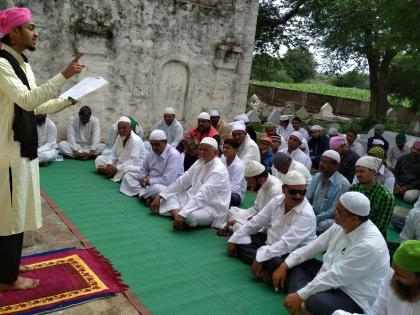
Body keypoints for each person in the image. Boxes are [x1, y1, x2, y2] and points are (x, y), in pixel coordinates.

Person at [0, 6, 84, 291]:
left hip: (22, 148)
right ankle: (7, 278)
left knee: (16, 212)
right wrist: (63, 76)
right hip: (8, 151)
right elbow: (26, 100)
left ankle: (8, 264)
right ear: (14, 32)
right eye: (31, 27)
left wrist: (69, 99)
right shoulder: (1, 63)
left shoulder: (22, 63)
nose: (36, 33)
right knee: (8, 215)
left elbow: (36, 104)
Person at [274, 192, 390, 315]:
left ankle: (302, 302)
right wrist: (285, 265)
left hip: (353, 296)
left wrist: (301, 294)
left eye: (339, 211)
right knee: (295, 264)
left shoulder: (369, 245)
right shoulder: (341, 225)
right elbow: (314, 246)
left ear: (354, 219)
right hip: (330, 277)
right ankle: (303, 306)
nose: (334, 213)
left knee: (316, 301)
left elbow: (337, 276)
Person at [227, 171, 316, 282]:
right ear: (284, 189)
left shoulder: (306, 214)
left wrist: (261, 257)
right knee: (239, 237)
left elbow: (285, 244)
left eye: (302, 192)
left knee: (276, 262)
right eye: (293, 192)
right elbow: (256, 222)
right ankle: (264, 265)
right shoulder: (276, 201)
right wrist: (234, 238)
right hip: (270, 244)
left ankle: (264, 264)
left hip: (291, 253)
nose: (298, 196)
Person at [150, 137, 231, 230]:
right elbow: (182, 181)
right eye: (200, 149)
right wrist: (160, 196)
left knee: (188, 216)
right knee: (167, 194)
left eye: (205, 150)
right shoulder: (200, 162)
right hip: (191, 198)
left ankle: (178, 215)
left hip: (210, 209)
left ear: (215, 153)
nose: (201, 152)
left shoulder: (219, 170)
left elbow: (203, 195)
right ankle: (178, 217)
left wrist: (183, 213)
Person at [333, 240, 420, 315]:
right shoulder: (391, 276)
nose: (394, 277)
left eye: (400, 275)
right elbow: (378, 312)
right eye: (394, 270)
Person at [120, 130, 183, 203]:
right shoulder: (152, 152)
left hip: (166, 185)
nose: (154, 147)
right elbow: (144, 169)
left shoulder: (173, 155)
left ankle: (144, 195)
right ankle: (147, 196)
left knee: (159, 190)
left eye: (157, 144)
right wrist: (142, 178)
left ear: (165, 142)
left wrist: (148, 181)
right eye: (152, 145)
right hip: (149, 182)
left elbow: (167, 180)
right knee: (128, 176)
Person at [227, 160, 283, 232]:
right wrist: (239, 218)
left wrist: (240, 221)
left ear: (261, 179)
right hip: (258, 217)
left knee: (237, 225)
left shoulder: (276, 190)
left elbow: (268, 220)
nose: (249, 185)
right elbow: (256, 209)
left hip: (267, 225)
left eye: (250, 182)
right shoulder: (262, 184)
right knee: (232, 211)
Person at [349, 156, 396, 238]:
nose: (358, 175)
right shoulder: (353, 189)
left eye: (362, 171)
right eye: (356, 171)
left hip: (372, 237)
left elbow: (380, 228)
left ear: (374, 172)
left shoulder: (387, 197)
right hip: (350, 230)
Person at [306, 150, 350, 234]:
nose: (321, 164)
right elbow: (307, 199)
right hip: (312, 215)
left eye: (326, 162)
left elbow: (333, 211)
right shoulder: (317, 176)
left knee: (327, 225)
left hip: (327, 219)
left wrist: (314, 219)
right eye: (321, 160)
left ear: (336, 166)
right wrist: (307, 214)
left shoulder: (342, 184)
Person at [95, 116, 146, 182]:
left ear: (130, 128)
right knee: (99, 159)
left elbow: (132, 160)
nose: (121, 130)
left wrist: (116, 168)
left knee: (127, 171)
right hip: (118, 163)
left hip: (133, 165)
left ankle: (107, 171)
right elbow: (113, 154)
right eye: (119, 128)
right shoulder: (119, 138)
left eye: (124, 128)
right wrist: (109, 164)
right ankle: (111, 171)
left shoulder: (136, 140)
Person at [220, 139, 246, 207]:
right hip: (221, 190)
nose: (224, 150)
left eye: (228, 148)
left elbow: (235, 187)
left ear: (235, 150)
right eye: (224, 147)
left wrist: (218, 190)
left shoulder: (239, 165)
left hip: (235, 194)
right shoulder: (222, 158)